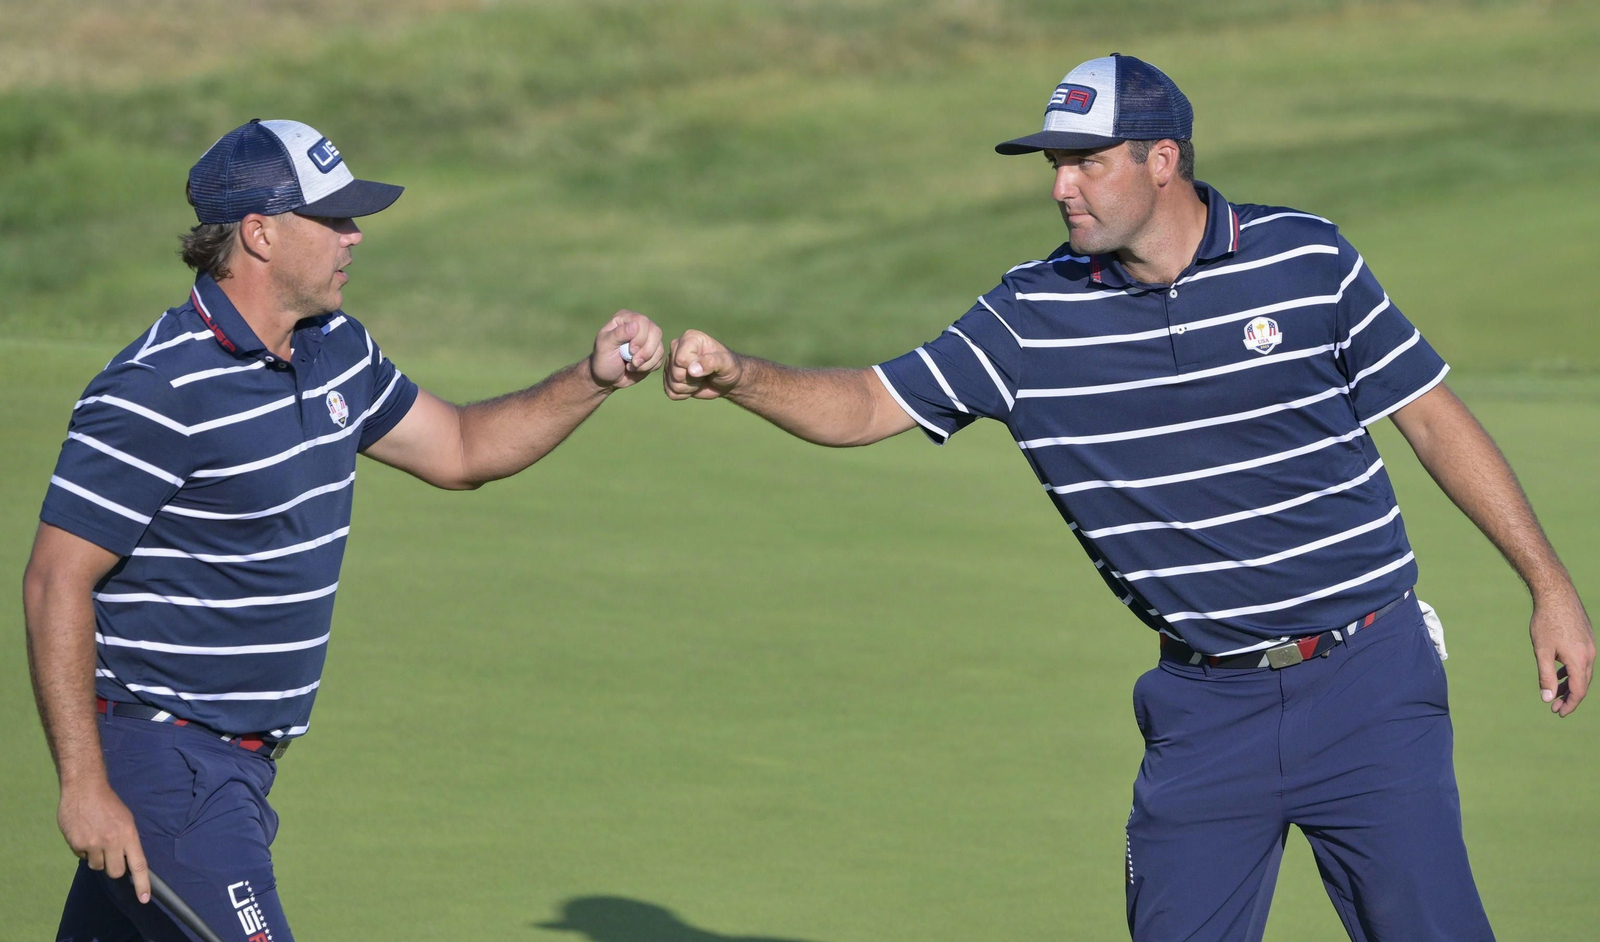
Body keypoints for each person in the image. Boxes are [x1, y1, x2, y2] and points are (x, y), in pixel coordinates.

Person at [663, 54, 1593, 941]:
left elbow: (1429, 416)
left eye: (1086, 162)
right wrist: (743, 376)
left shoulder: (1308, 259)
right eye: (1055, 166)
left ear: (1162, 160)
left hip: (1368, 682)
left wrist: (1548, 586)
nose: (1061, 187)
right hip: (1204, 707)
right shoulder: (1029, 317)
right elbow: (868, 404)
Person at [24, 118, 664, 942]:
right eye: (331, 218)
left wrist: (593, 378)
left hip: (234, 770)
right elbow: (56, 579)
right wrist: (83, 785)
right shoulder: (157, 388)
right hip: (165, 773)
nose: (353, 235)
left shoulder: (337, 350)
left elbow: (462, 448)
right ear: (260, 233)